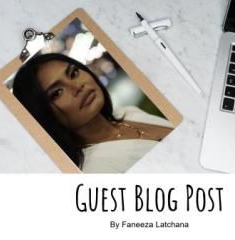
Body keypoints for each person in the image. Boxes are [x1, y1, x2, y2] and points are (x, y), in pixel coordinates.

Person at [13, 53, 173, 173]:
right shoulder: (98, 171)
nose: (77, 86)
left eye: (73, 73)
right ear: (43, 116)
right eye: (57, 93)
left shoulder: (128, 112)